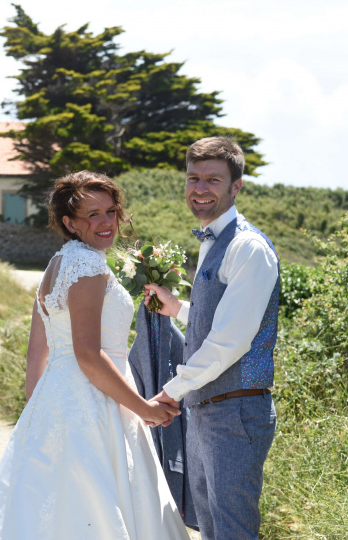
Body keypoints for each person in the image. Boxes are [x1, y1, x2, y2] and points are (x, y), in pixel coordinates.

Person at [0, 171, 190, 539]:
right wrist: (143, 408)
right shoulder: (87, 266)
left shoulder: (56, 266)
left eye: (110, 211)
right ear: (69, 223)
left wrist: (39, 420)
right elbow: (87, 354)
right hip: (97, 403)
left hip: (59, 402)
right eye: (92, 215)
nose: (106, 222)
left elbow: (35, 357)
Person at [146, 136, 279, 540]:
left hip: (235, 414)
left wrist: (171, 391)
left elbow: (230, 342)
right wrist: (179, 309)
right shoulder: (213, 240)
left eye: (213, 180)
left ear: (236, 186)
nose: (200, 189)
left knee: (232, 531)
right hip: (206, 409)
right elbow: (220, 322)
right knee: (209, 530)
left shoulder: (247, 247)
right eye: (193, 178)